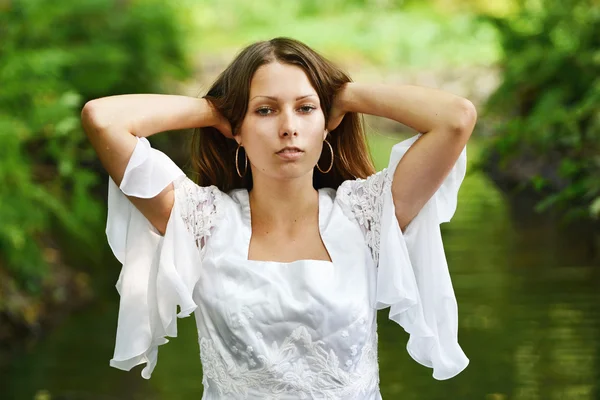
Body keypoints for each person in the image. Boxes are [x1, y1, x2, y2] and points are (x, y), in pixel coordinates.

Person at [81, 37, 475, 399]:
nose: (288, 128)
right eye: (265, 110)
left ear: (327, 124)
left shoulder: (366, 215)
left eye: (306, 108)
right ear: (237, 129)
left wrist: (343, 94)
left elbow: (456, 118)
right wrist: (216, 109)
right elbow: (102, 119)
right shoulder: (200, 220)